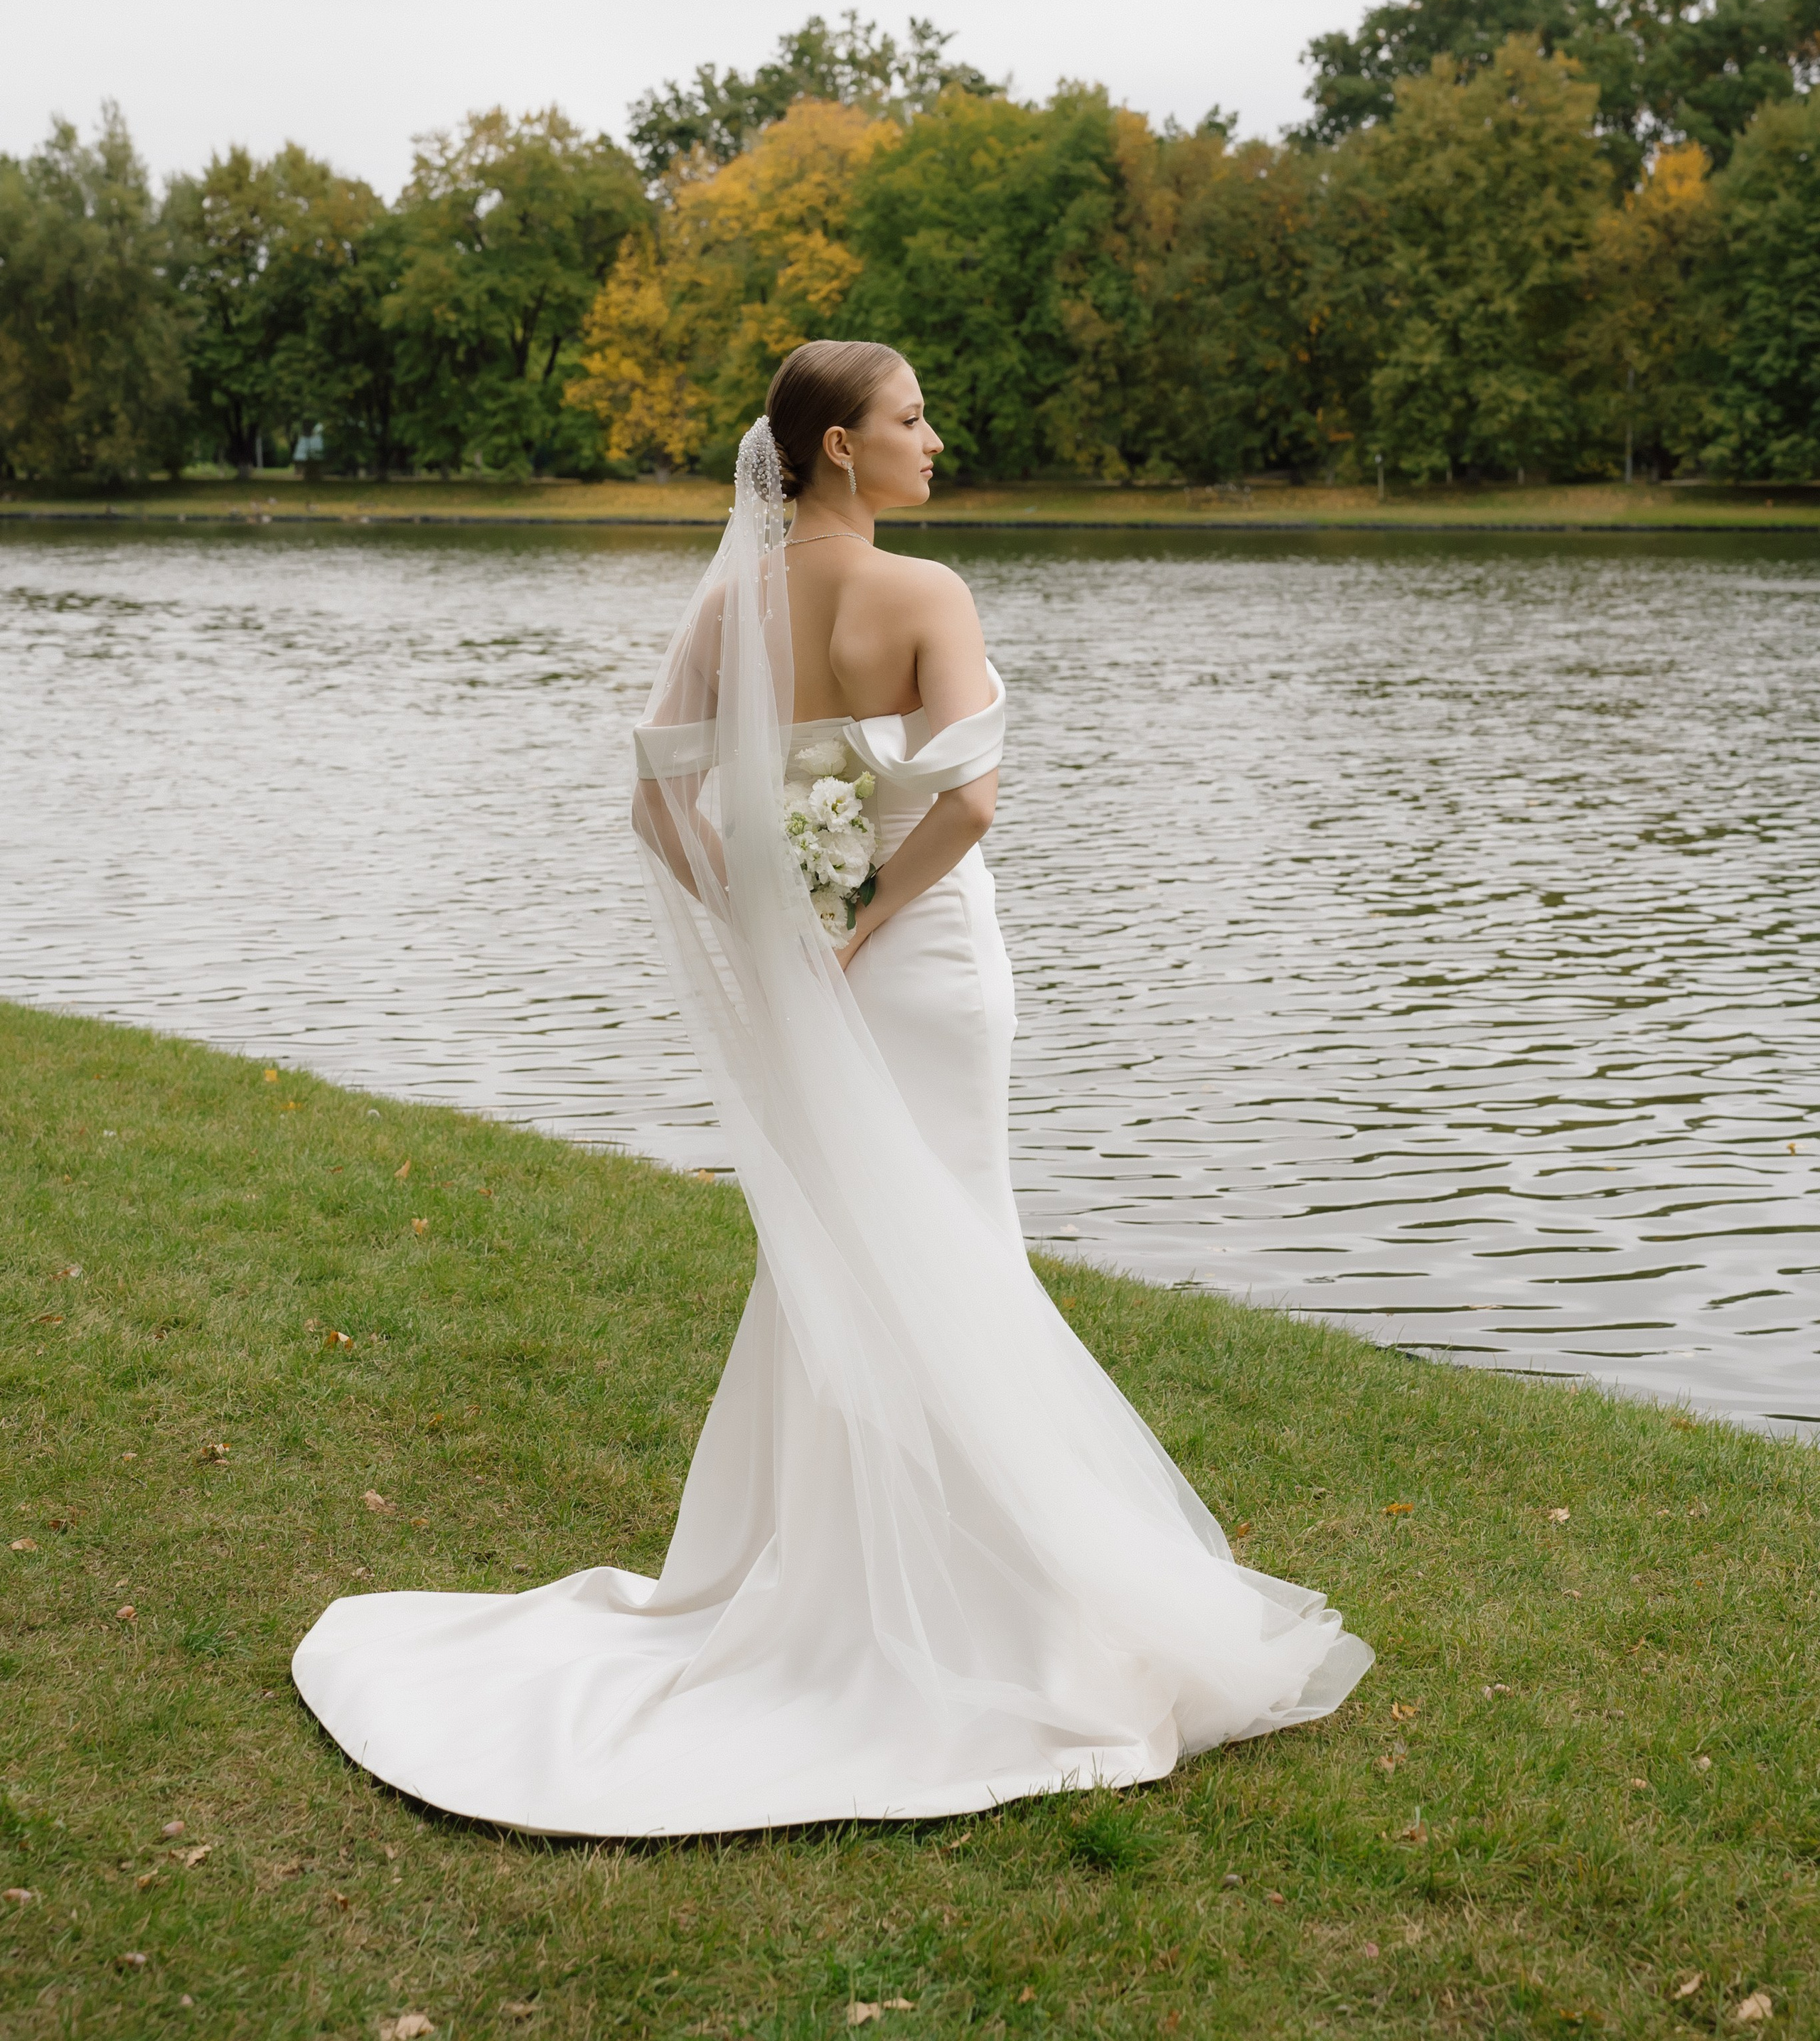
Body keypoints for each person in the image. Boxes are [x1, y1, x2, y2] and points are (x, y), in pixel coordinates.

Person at [292, 339, 1371, 1833]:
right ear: (841, 450)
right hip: (919, 969)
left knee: (844, 1263)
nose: (939, 437)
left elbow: (654, 802)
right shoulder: (922, 593)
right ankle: (986, 1611)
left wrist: (771, 929)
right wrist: (859, 918)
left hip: (814, 984)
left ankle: (859, 1584)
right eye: (912, 418)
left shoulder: (729, 605)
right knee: (955, 1250)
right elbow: (970, 798)